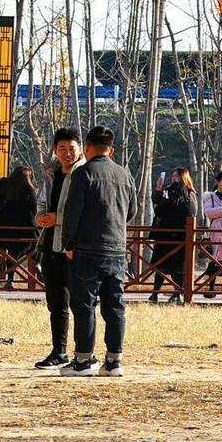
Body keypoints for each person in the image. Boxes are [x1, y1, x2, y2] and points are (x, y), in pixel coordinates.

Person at [58, 125, 136, 376]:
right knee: (115, 305)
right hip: (116, 249)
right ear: (111, 150)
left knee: (84, 305)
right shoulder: (125, 175)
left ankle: (83, 360)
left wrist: (68, 243)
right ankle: (114, 361)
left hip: (87, 249)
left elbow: (73, 212)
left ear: (88, 148)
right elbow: (132, 212)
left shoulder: (84, 174)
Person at [32, 127, 82, 370]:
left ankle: (83, 354)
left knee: (81, 304)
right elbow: (42, 202)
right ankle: (59, 351)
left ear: (80, 148)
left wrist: (57, 218)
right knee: (56, 304)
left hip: (75, 249)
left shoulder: (83, 174)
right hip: (51, 246)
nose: (67, 153)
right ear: (55, 150)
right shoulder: (52, 174)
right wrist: (41, 217)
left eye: (71, 148)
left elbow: (83, 211)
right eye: (62, 148)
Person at [142, 168, 197, 304]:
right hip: (164, 233)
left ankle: (177, 293)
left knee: (177, 267)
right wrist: (159, 189)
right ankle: (155, 293)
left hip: (179, 235)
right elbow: (157, 204)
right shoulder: (167, 190)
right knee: (160, 265)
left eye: (177, 176)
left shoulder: (189, 193)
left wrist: (169, 203)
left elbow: (190, 211)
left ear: (183, 178)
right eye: (173, 176)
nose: (174, 179)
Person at [0, 166, 38, 289]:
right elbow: (33, 210)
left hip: (2, 228)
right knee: (34, 246)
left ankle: (3, 280)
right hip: (22, 230)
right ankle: (36, 269)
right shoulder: (29, 189)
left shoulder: (3, 183)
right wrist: (34, 227)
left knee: (9, 253)